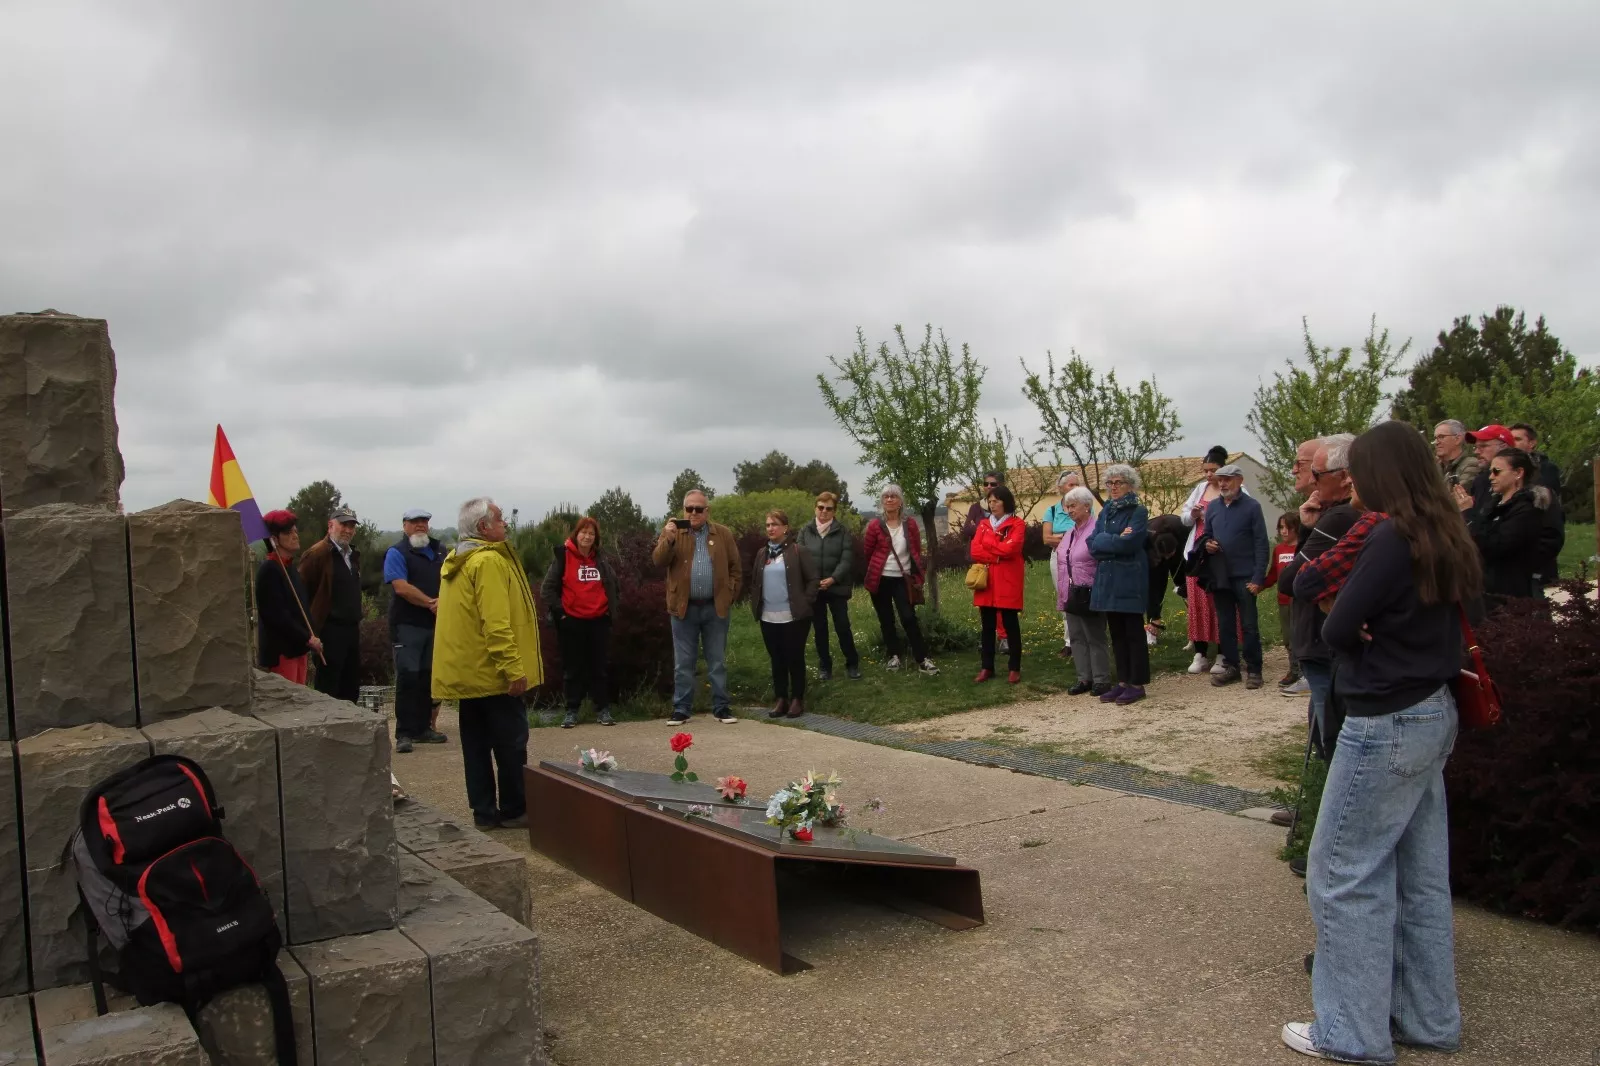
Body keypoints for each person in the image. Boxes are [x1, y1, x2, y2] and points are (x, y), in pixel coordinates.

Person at [1281, 419, 1481, 1063]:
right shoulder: (1445, 528)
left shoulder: (1391, 535)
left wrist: (1357, 622)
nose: (1353, 480)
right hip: (1432, 708)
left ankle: (1351, 1033)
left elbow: (1336, 625)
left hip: (1386, 718)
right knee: (1418, 874)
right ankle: (1426, 1018)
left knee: (1340, 872)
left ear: (1382, 474)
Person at [432, 497, 543, 830]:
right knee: (511, 744)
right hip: (494, 674)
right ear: (483, 527)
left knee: (476, 746)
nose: (505, 523)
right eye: (499, 518)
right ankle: (513, 809)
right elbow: (496, 624)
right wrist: (513, 669)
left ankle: (483, 812)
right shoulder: (488, 563)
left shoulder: (456, 560)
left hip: (468, 675)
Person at [1279, 434, 1359, 742]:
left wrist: (1309, 532)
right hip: (1319, 636)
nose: (1298, 472)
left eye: (1307, 465)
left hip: (1323, 638)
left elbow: (1291, 581)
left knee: (1332, 732)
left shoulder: (1339, 517)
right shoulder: (1328, 515)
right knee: (1322, 719)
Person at [653, 489, 743, 724]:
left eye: (698, 509)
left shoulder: (722, 534)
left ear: (707, 511)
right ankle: (682, 709)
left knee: (717, 661)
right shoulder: (674, 532)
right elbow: (658, 560)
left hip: (715, 607)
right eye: (689, 508)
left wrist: (730, 594)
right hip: (683, 608)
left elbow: (736, 567)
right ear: (683, 510)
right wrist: (668, 537)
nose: (693, 513)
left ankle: (721, 707)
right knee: (684, 662)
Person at [540, 515, 620, 728]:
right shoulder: (563, 557)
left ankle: (602, 710)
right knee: (573, 669)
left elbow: (613, 584)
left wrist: (610, 610)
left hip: (598, 621)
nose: (587, 536)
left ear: (596, 538)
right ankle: (571, 711)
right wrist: (562, 613)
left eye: (591, 533)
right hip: (572, 622)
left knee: (599, 668)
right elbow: (546, 590)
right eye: (583, 532)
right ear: (576, 534)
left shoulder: (600, 559)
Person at [1459, 448, 1559, 605]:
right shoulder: (1494, 504)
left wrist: (1469, 515)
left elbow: (1494, 545)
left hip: (1512, 595)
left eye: (1497, 472)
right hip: (1488, 590)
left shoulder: (1528, 507)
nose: (1491, 477)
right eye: (1491, 472)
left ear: (1518, 472)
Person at [1203, 464, 1271, 689]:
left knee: (1249, 625)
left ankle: (1254, 670)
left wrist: (1258, 577)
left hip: (1245, 576)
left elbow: (1261, 543)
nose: (1222, 483)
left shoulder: (1252, 507)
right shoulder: (1212, 507)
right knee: (1225, 624)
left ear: (1240, 480)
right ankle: (1231, 667)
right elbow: (1206, 536)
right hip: (1221, 575)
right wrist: (1209, 545)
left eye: (1227, 479)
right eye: (1220, 479)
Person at [385, 508, 447, 753]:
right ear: (404, 526)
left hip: (434, 626)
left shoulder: (441, 550)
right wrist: (432, 603)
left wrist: (444, 601)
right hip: (406, 626)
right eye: (415, 522)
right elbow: (401, 587)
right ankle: (404, 733)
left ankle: (423, 729)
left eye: (424, 521)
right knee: (408, 678)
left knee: (428, 678)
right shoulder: (396, 552)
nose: (421, 525)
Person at [1089, 464, 1150, 705]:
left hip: (1129, 578)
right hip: (1108, 578)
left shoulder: (1138, 511)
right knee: (1116, 632)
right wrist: (1111, 539)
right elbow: (1092, 543)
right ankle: (1123, 680)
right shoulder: (1105, 512)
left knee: (1133, 632)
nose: (1114, 488)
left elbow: (1131, 543)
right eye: (1110, 483)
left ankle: (1137, 683)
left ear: (1130, 485)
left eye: (1119, 483)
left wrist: (1107, 542)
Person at [862, 484, 939, 675]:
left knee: (908, 617)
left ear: (900, 501)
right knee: (886, 619)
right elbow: (867, 552)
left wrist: (917, 575)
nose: (889, 499)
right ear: (882, 501)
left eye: (893, 496)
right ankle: (893, 656)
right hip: (880, 579)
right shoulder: (874, 526)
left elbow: (915, 551)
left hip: (902, 580)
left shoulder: (910, 524)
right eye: (886, 496)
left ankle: (922, 658)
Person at [752, 510, 820, 718]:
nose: (770, 528)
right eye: (767, 525)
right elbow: (755, 581)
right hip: (768, 616)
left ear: (785, 528)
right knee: (777, 659)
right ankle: (781, 698)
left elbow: (813, 580)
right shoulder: (762, 554)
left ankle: (797, 699)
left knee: (794, 657)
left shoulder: (799, 551)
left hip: (794, 616)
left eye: (774, 524)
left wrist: (805, 601)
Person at [1179, 446, 1237, 675]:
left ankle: (1223, 651)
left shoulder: (1236, 489)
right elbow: (1184, 518)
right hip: (1198, 554)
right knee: (1198, 604)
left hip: (1222, 554)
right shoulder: (1200, 489)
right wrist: (1192, 515)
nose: (1209, 475)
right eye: (1206, 470)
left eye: (1213, 470)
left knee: (1220, 603)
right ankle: (1200, 651)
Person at [298, 505, 364, 703]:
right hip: (329, 630)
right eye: (343, 525)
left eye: (352, 526)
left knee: (350, 687)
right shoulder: (317, 554)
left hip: (351, 629)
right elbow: (302, 593)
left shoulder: (351, 556)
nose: (348, 530)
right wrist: (310, 632)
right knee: (329, 688)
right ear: (330, 525)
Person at [797, 491, 860, 681]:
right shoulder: (805, 531)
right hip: (815, 588)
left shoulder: (842, 531)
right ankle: (825, 666)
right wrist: (814, 580)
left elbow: (846, 559)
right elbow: (800, 556)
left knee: (842, 626)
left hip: (837, 587)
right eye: (821, 507)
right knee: (820, 629)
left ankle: (852, 664)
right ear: (815, 508)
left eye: (829, 508)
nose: (824, 511)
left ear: (834, 511)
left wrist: (833, 578)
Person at [255, 509, 322, 683]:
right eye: (288, 532)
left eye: (295, 531)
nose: (295, 536)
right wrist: (307, 638)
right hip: (283, 654)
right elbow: (277, 616)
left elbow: (301, 608)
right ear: (274, 539)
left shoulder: (290, 568)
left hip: (299, 650)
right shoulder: (269, 570)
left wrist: (311, 634)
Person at [1057, 487, 1112, 696]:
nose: (1069, 510)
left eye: (1073, 506)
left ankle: (1101, 679)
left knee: (1094, 635)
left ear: (1087, 506)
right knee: (1077, 636)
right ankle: (1083, 678)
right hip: (1070, 592)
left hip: (1090, 590)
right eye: (1067, 506)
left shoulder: (1097, 529)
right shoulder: (1070, 532)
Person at [971, 484, 1025, 683]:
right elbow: (975, 551)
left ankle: (1014, 667)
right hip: (987, 580)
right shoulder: (984, 524)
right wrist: (996, 553)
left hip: (1008, 579)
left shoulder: (1017, 524)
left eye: (997, 501)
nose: (993, 505)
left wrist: (989, 545)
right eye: (990, 501)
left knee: (1010, 623)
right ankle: (987, 667)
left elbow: (1011, 550)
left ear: (1006, 502)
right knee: (987, 625)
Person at [1509, 422, 1566, 586]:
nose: (1513, 443)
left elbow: (1545, 503)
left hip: (1539, 543)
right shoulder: (1501, 469)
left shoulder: (1546, 469)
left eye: (1518, 439)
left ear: (1532, 443)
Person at [1040, 471, 1083, 657]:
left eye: (1077, 485)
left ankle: (1083, 640)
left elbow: (1088, 534)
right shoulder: (1051, 511)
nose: (1074, 488)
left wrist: (1061, 538)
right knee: (1065, 599)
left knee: (1082, 597)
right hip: (1058, 559)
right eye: (1070, 485)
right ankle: (1070, 642)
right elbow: (1046, 538)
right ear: (1061, 488)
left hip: (1082, 560)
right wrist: (1071, 538)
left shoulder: (1086, 509)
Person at [1263, 511, 1303, 688]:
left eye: (1288, 527)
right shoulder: (1279, 549)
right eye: (1281, 528)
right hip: (1284, 601)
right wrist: (1260, 585)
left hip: (1301, 600)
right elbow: (1273, 574)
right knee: (1288, 638)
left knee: (1300, 636)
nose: (1284, 531)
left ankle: (1304, 671)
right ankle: (1294, 670)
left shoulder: (1303, 548)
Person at [1144, 513, 1186, 647]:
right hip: (1155, 557)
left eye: (1169, 555)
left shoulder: (1182, 527)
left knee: (1185, 587)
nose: (1167, 558)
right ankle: (1152, 629)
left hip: (1181, 554)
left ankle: (1196, 627)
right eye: (1165, 556)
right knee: (1154, 591)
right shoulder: (1146, 535)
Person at [1461, 424, 1514, 513]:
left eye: (1483, 446)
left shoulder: (1521, 481)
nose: (1476, 452)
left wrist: (1467, 511)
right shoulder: (1480, 481)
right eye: (1476, 447)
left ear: (1503, 447)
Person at [1432, 419, 1480, 489]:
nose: (1436, 442)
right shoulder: (1436, 467)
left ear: (1458, 439)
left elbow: (1458, 493)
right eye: (1435, 438)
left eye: (1441, 437)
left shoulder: (1471, 464)